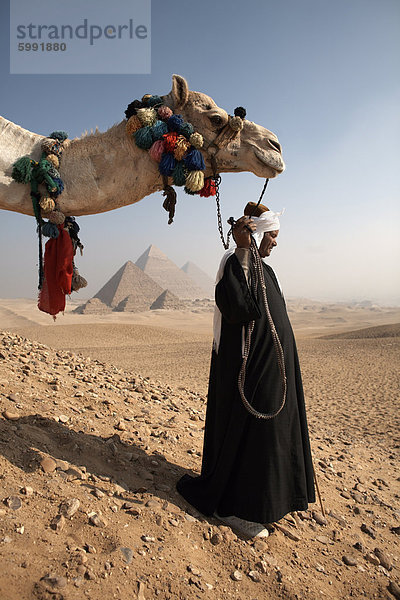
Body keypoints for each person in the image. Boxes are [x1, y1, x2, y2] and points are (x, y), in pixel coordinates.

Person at [177, 202, 316, 537]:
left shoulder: (265, 269)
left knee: (270, 438)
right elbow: (240, 308)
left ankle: (267, 503)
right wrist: (241, 251)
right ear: (255, 235)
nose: (275, 242)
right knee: (248, 436)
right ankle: (232, 508)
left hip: (271, 370)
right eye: (272, 236)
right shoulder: (233, 263)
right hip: (246, 372)